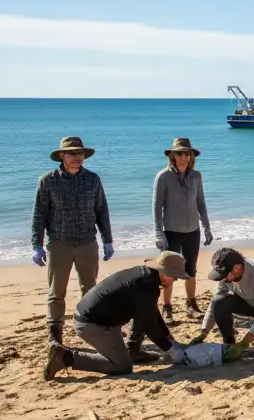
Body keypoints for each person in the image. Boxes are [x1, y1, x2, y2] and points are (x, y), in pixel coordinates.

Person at [43, 251, 191, 381]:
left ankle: (134, 351)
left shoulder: (145, 276)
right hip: (92, 324)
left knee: (145, 312)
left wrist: (170, 340)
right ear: (164, 272)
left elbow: (151, 313)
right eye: (175, 277)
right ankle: (65, 357)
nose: (175, 281)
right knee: (122, 366)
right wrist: (170, 350)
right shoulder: (146, 286)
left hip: (95, 317)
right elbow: (149, 325)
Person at [31, 136, 114, 347]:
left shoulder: (93, 179)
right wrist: (37, 245)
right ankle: (55, 336)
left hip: (87, 242)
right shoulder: (48, 181)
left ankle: (91, 329)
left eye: (80, 154)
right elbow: (39, 215)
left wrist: (107, 240)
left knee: (90, 291)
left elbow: (101, 211)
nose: (78, 157)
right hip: (59, 244)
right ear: (62, 156)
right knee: (56, 293)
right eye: (72, 153)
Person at [189, 248, 254, 359]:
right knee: (219, 302)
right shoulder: (227, 277)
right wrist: (203, 333)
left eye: (224, 274)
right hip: (247, 302)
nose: (222, 278)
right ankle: (229, 342)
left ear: (237, 268)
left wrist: (243, 344)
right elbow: (215, 302)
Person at [153, 137, 213, 321]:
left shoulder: (196, 176)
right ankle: (167, 307)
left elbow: (201, 202)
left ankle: (191, 305)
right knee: (169, 270)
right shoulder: (163, 176)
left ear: (191, 156)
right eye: (179, 153)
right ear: (172, 155)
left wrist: (207, 227)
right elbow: (157, 206)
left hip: (193, 230)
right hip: (171, 231)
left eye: (187, 153)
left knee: (190, 269)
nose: (183, 157)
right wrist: (158, 233)